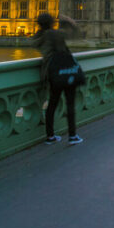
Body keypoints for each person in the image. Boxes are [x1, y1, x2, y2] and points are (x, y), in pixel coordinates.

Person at [33, 12, 83, 145]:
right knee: (70, 103)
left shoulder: (39, 36)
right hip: (64, 71)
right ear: (50, 23)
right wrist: (69, 22)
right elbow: (75, 34)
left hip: (50, 72)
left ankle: (50, 136)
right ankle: (72, 136)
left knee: (52, 104)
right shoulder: (54, 34)